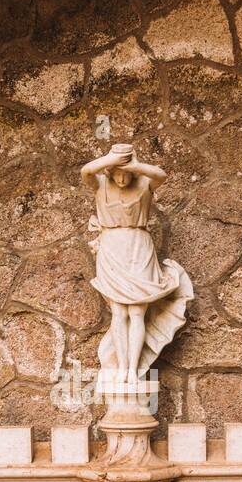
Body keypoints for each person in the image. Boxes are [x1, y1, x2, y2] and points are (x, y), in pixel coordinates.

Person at [79, 143, 193, 386]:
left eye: (126, 174)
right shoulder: (100, 184)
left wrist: (135, 165)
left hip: (139, 247)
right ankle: (121, 367)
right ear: (109, 171)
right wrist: (110, 158)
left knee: (137, 311)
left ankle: (132, 369)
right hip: (112, 248)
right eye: (117, 173)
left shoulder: (143, 184)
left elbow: (161, 175)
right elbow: (86, 172)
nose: (122, 178)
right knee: (119, 312)